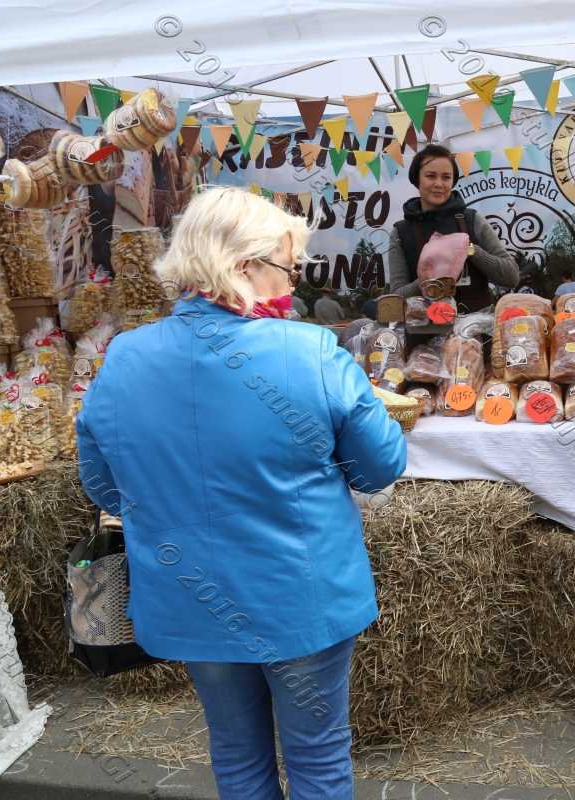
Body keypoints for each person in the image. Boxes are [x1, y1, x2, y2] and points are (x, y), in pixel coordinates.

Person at [76, 186, 407, 800]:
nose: (293, 281)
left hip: (191, 596)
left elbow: (101, 485)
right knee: (317, 755)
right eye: (288, 266)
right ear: (245, 265)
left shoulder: (123, 358)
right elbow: (379, 467)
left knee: (234, 751)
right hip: (300, 597)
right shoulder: (310, 351)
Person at [387, 143, 519, 312]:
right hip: (424, 327)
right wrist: (426, 280)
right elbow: (395, 299)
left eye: (446, 177)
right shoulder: (401, 232)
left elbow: (511, 276)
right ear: (416, 179)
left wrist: (472, 250)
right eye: (430, 176)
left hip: (478, 325)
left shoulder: (472, 220)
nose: (439, 184)